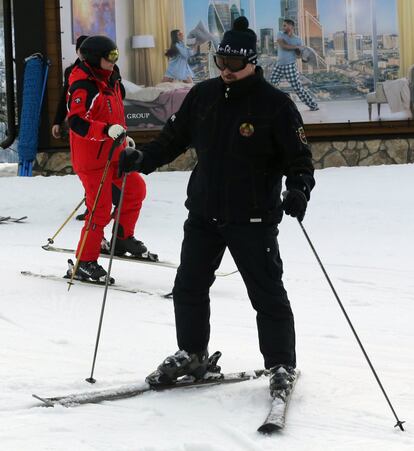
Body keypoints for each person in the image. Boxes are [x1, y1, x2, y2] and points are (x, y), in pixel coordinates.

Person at [118, 17, 315, 395]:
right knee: (189, 286)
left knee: (267, 293)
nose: (225, 70)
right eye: (220, 62)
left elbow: (299, 159)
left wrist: (299, 189)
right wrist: (142, 157)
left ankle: (280, 365)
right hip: (205, 212)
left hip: (253, 217)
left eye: (234, 64)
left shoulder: (275, 105)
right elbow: (172, 140)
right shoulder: (203, 95)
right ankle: (192, 354)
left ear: (252, 62)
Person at [67, 35, 147, 282]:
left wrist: (122, 138)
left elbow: (115, 111)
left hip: (114, 154)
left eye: (116, 56)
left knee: (135, 189)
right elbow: (76, 122)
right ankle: (85, 261)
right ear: (93, 58)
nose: (114, 61)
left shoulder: (110, 78)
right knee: (99, 210)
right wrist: (105, 131)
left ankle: (121, 238)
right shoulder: (84, 85)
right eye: (109, 57)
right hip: (91, 161)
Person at [270, 19, 319, 111]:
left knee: (298, 88)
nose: (283, 27)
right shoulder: (280, 34)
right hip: (279, 65)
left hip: (290, 66)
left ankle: (313, 105)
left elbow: (299, 55)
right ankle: (273, 105)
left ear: (291, 26)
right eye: (283, 25)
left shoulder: (298, 39)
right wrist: (297, 47)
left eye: (285, 25)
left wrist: (303, 55)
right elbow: (283, 46)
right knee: (271, 85)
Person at [51, 35, 89, 140]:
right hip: (77, 120)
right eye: (82, 50)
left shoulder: (102, 68)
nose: (85, 53)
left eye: (88, 50)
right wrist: (57, 121)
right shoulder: (71, 71)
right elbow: (65, 97)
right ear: (77, 51)